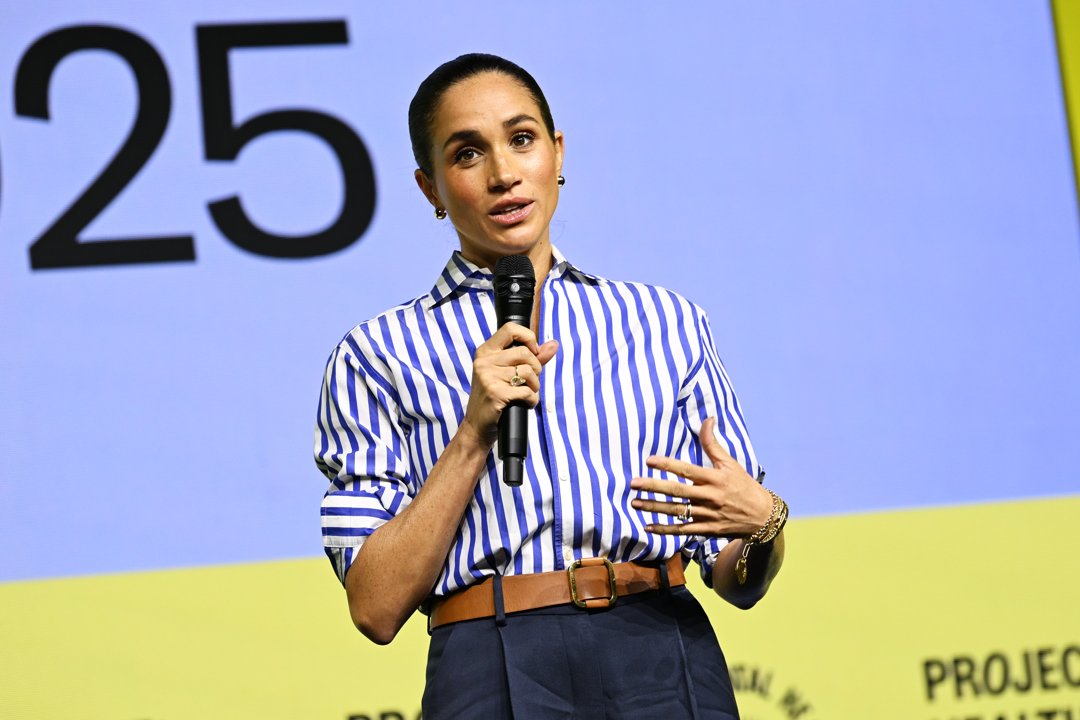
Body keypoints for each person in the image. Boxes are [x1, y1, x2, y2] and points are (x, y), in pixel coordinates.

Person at [315, 53, 787, 719]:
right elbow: (374, 606)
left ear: (556, 152)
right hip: (490, 662)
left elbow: (736, 577)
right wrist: (474, 431)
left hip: (661, 648)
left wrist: (764, 524)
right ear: (430, 188)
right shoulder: (376, 355)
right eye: (468, 153)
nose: (505, 173)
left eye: (522, 139)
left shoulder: (663, 322)